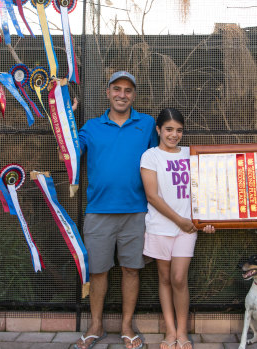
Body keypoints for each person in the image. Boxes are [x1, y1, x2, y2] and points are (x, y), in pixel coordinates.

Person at [75, 71, 158, 349]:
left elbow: (158, 161)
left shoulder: (146, 124)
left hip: (137, 212)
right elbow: (70, 150)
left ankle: (126, 327)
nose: (122, 94)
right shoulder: (91, 126)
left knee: (131, 270)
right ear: (107, 92)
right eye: (117, 89)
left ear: (133, 95)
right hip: (98, 212)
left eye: (128, 90)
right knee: (98, 272)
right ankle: (96, 326)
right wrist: (61, 117)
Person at [140, 108, 215, 349]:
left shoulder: (191, 154)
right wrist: (179, 220)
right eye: (169, 129)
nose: (174, 135)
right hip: (160, 225)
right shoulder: (150, 156)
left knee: (179, 278)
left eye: (179, 130)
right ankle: (170, 332)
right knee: (164, 278)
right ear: (159, 130)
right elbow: (152, 196)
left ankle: (183, 332)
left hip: (188, 228)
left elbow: (207, 188)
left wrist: (209, 219)